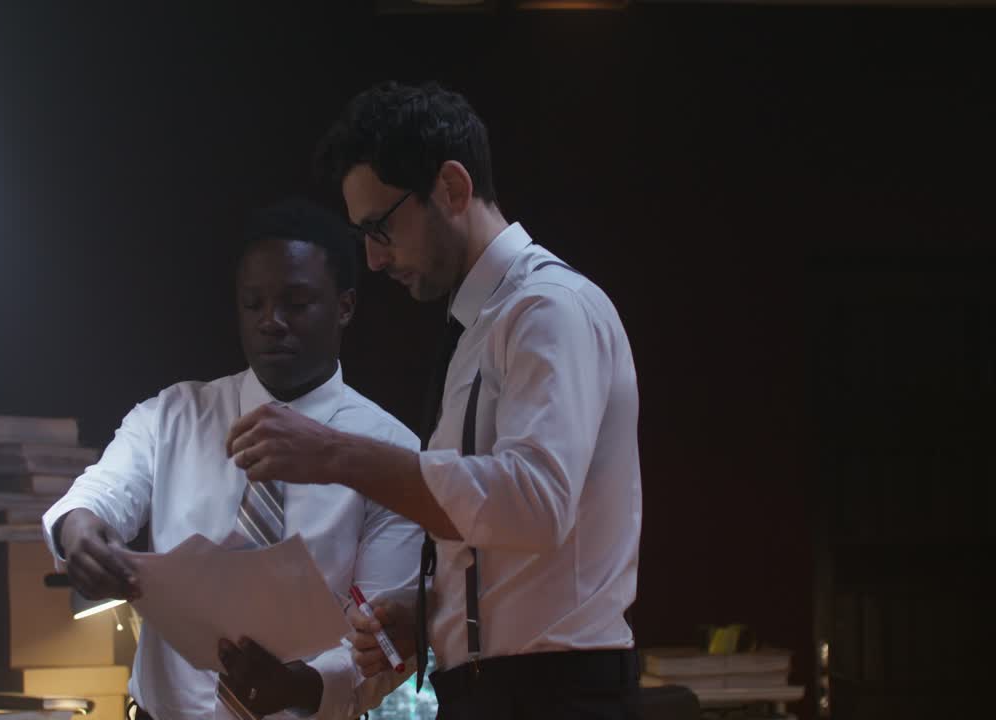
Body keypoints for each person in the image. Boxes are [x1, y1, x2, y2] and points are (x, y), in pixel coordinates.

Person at [225, 82, 643, 719]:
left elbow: (535, 502)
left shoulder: (547, 308)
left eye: (381, 228)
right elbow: (503, 537)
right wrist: (431, 608)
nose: (372, 256)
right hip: (496, 689)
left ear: (451, 188)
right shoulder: (481, 323)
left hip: (558, 692)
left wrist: (333, 453)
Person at [42, 197, 422, 720]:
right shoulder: (174, 416)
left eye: (297, 303)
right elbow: (98, 495)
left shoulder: (393, 457)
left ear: (346, 306)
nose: (271, 322)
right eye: (253, 303)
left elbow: (383, 642)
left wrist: (300, 686)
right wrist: (79, 531)